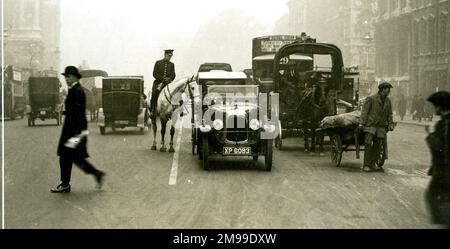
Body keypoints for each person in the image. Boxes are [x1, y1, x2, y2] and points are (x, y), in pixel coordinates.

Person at [51, 66, 105, 193]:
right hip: (74, 130)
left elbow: (78, 113)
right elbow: (73, 110)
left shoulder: (77, 91)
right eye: (66, 77)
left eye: (69, 77)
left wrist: (79, 134)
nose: (67, 79)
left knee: (67, 156)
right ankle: (96, 174)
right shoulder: (74, 90)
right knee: (73, 157)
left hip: (75, 131)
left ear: (75, 77)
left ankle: (66, 184)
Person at [425, 91, 450, 228]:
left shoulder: (445, 124)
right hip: (444, 169)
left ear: (442, 106)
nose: (434, 108)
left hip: (444, 169)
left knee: (432, 196)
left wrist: (430, 136)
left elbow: (442, 148)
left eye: (436, 106)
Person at [359, 82, 395, 172]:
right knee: (368, 144)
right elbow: (364, 112)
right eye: (388, 89)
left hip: (380, 127)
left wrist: (391, 124)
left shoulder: (388, 101)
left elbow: (390, 114)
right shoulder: (371, 99)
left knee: (378, 146)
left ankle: (373, 164)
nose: (389, 91)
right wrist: (361, 123)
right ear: (383, 89)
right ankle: (366, 165)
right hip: (370, 125)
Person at [149, 49, 176, 118]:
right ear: (165, 55)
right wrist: (162, 79)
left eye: (171, 56)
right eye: (169, 56)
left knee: (174, 95)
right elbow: (154, 74)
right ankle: (152, 110)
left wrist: (169, 79)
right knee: (154, 94)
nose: (170, 57)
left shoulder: (172, 65)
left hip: (167, 84)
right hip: (158, 83)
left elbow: (173, 75)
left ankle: (173, 110)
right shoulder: (158, 63)